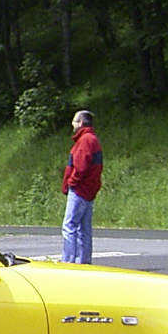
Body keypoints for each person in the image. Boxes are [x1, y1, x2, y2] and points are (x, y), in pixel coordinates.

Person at [60, 109, 103, 264]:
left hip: (79, 189)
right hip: (89, 190)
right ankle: (84, 262)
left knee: (69, 226)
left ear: (80, 123)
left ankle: (68, 261)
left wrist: (71, 182)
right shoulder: (93, 139)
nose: (72, 124)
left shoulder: (85, 140)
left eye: (74, 121)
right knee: (84, 229)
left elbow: (81, 167)